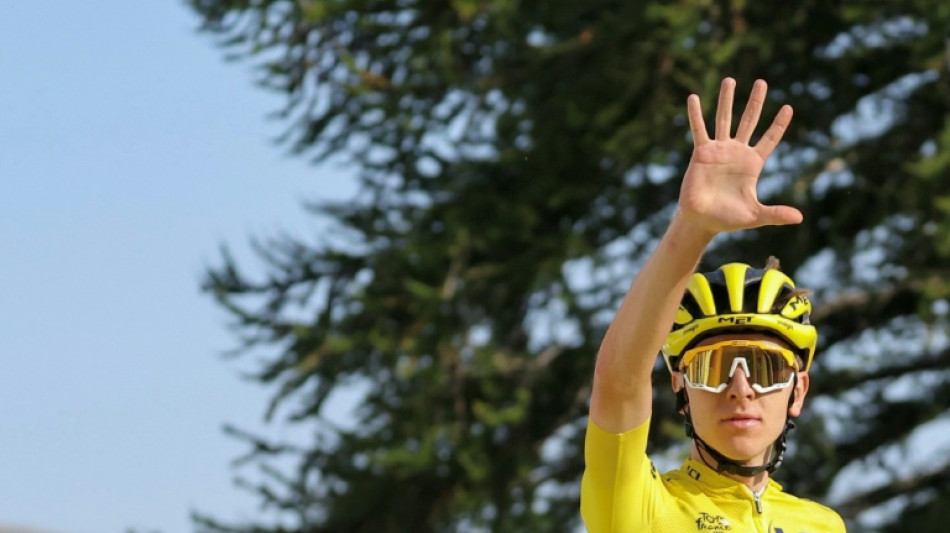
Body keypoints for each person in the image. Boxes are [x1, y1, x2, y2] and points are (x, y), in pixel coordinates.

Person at [580, 78, 847, 532]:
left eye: (765, 368)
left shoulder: (824, 526)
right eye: (713, 366)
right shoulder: (642, 511)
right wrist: (693, 227)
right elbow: (618, 381)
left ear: (798, 391)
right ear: (681, 389)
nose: (740, 389)